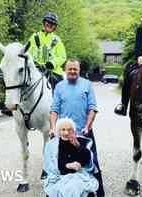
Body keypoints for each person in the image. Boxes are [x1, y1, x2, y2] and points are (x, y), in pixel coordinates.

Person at [49, 59, 105, 197]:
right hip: (64, 135)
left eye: (75, 69)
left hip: (83, 133)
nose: (73, 71)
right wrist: (52, 128)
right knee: (61, 165)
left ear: (79, 70)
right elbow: (54, 110)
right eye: (70, 69)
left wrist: (87, 126)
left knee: (92, 164)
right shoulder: (59, 87)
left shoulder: (87, 85)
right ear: (65, 70)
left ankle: (98, 194)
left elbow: (92, 108)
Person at [43, 118, 98, 197]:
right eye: (63, 129)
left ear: (73, 130)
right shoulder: (53, 145)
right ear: (59, 131)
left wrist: (77, 145)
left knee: (75, 186)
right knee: (69, 188)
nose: (66, 132)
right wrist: (68, 165)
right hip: (60, 177)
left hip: (79, 175)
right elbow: (53, 167)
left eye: (69, 129)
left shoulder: (80, 141)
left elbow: (88, 160)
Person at [27, 12, 66, 91]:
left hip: (52, 71)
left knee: (63, 89)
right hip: (35, 69)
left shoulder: (57, 40)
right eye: (48, 22)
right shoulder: (34, 37)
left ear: (55, 27)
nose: (50, 24)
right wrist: (34, 63)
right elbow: (28, 52)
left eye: (52, 23)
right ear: (44, 23)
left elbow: (62, 56)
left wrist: (51, 64)